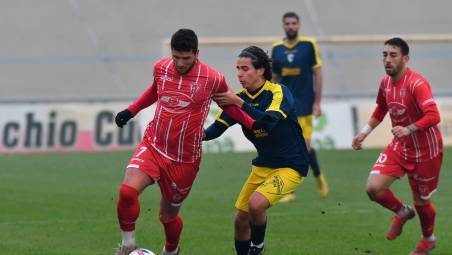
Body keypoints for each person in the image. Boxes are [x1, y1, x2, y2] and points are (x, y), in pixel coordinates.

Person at [113, 29, 256, 255]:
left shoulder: (212, 79)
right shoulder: (161, 67)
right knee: (127, 192)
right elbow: (154, 91)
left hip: (184, 160)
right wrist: (131, 111)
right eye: (176, 57)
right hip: (154, 144)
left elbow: (229, 106)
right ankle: (128, 244)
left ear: (196, 54)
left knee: (167, 216)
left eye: (186, 58)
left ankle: (171, 250)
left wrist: (254, 123)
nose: (179, 63)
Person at [204, 46, 310, 255]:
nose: (240, 74)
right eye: (238, 69)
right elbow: (216, 128)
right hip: (263, 165)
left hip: (291, 165)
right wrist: (192, 135)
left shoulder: (277, 92)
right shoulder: (239, 98)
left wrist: (239, 103)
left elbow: (267, 123)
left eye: (245, 69)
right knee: (240, 220)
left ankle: (257, 248)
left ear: (260, 70)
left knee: (256, 205)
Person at [352, 37, 443, 255]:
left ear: (405, 58)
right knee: (373, 188)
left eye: (393, 55)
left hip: (426, 152)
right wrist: (363, 133)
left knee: (421, 201)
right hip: (401, 146)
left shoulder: (417, 83)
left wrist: (409, 128)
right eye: (384, 55)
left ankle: (428, 240)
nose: (387, 60)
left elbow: (434, 115)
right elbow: (381, 110)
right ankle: (403, 212)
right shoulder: (385, 83)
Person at [271, 11, 328, 201]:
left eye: (294, 23)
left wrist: (317, 102)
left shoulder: (308, 45)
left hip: (304, 104)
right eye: (287, 23)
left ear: (299, 25)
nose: (290, 26)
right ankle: (289, 191)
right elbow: (274, 77)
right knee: (287, 147)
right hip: (284, 105)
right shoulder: (276, 48)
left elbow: (318, 73)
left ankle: (318, 176)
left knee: (304, 148)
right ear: (283, 25)